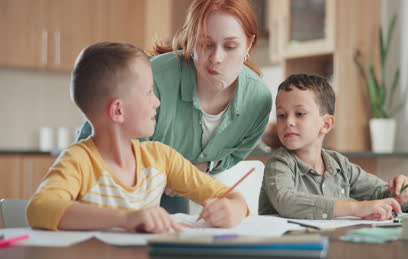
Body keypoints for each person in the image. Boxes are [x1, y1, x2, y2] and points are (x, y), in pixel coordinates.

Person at [27, 42, 248, 232]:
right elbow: (39, 209)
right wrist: (126, 219)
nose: (156, 102)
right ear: (118, 111)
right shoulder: (78, 161)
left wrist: (233, 209)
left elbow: (230, 197)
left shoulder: (160, 158)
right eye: (149, 92)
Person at [76, 0, 272, 213]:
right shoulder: (154, 79)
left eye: (230, 47)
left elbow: (234, 155)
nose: (217, 58)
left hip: (169, 186)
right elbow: (121, 152)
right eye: (206, 44)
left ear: (249, 44)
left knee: (173, 235)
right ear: (191, 40)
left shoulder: (258, 100)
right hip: (107, 172)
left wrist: (204, 169)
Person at [258, 74, 408, 220]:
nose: (288, 122)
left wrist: (402, 194)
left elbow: (381, 194)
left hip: (333, 243)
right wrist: (355, 208)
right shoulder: (279, 163)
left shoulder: (341, 165)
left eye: (299, 113)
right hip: (288, 248)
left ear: (326, 124)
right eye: (281, 115)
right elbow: (287, 202)